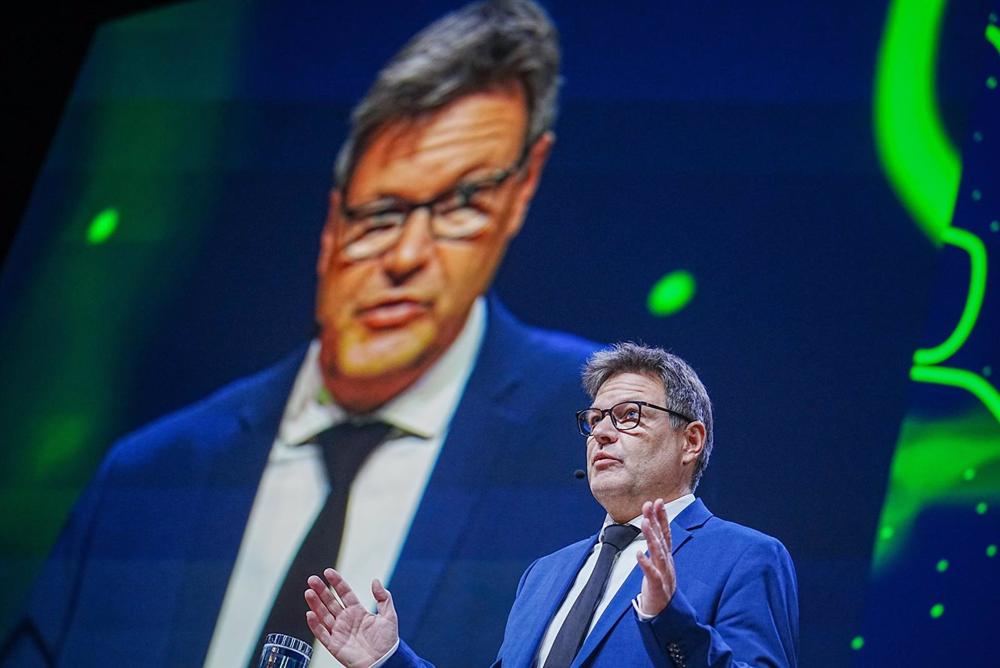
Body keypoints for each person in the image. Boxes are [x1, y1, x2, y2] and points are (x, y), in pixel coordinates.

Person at [2, 2, 603, 666]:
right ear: (330, 228)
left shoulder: (603, 455)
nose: (406, 255)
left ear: (522, 193)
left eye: (462, 204)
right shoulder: (144, 482)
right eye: (382, 212)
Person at [304, 343, 800, 667]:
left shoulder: (746, 557)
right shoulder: (545, 574)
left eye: (629, 416)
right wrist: (388, 658)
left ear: (690, 441)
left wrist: (669, 619)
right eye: (596, 418)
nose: (602, 432)